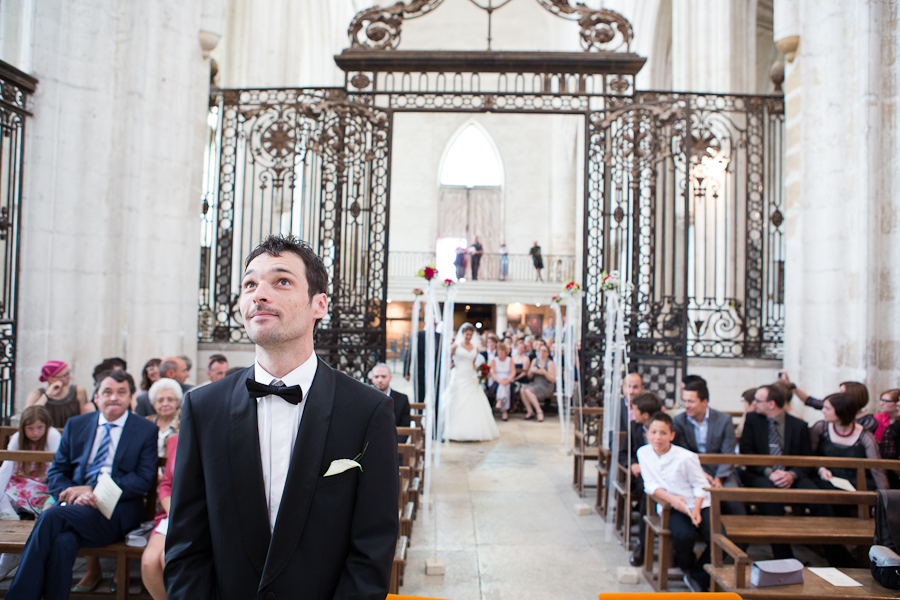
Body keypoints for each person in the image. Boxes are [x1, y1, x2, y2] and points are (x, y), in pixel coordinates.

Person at [165, 235, 399, 600]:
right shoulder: (202, 407)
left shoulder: (367, 411)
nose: (259, 294)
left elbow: (373, 547)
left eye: (282, 281)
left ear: (318, 305)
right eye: (250, 284)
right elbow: (186, 544)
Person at [6, 369, 158, 599]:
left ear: (130, 398)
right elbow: (57, 471)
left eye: (121, 392)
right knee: (62, 542)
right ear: (96, 397)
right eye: (107, 392)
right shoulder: (76, 425)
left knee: (51, 517)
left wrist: (95, 491)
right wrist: (71, 494)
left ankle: (19, 596)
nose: (114, 397)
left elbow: (143, 479)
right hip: (74, 507)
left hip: (115, 512)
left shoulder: (145, 430)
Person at [739, 384, 817, 559]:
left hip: (792, 474)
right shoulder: (752, 420)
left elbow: (807, 458)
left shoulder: (798, 425)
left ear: (771, 404)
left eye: (758, 401)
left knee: (818, 496)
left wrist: (792, 475)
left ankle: (834, 554)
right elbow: (747, 452)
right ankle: (784, 557)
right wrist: (769, 472)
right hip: (761, 474)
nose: (754, 404)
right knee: (770, 494)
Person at [637, 411, 711, 592]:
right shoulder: (644, 453)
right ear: (647, 433)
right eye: (653, 432)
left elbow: (701, 485)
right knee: (684, 536)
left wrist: (697, 509)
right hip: (672, 506)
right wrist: (674, 501)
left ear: (672, 435)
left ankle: (697, 575)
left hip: (699, 504)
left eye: (663, 433)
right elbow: (651, 486)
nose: (658, 437)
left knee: (720, 539)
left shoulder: (686, 457)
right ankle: (688, 565)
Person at [811, 392, 888, 566]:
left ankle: (849, 551)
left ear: (841, 411)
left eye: (827, 408)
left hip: (854, 482)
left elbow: (877, 469)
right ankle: (840, 553)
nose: (823, 411)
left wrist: (882, 498)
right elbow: (811, 455)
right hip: (828, 480)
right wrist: (821, 468)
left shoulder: (864, 436)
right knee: (828, 498)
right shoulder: (820, 428)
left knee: (848, 496)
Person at [0, 406, 62, 580]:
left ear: (46, 426)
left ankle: (28, 559)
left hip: (45, 485)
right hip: (23, 483)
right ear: (23, 428)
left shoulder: (52, 437)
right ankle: (10, 547)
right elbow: (6, 468)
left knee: (48, 510)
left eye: (39, 427)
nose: (35, 432)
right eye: (30, 428)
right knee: (3, 498)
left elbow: (57, 470)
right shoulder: (17, 439)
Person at [674, 379, 746, 518]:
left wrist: (719, 478)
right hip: (692, 470)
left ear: (704, 402)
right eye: (685, 401)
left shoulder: (723, 420)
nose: (686, 405)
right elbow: (682, 451)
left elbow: (728, 452)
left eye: (691, 401)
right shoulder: (679, 421)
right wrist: (701, 474)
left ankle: (738, 537)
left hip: (720, 471)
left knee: (733, 498)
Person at [621, 391, 662, 567]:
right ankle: (642, 546)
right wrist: (632, 464)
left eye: (635, 410)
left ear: (645, 415)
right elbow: (623, 454)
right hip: (643, 478)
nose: (633, 413)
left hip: (664, 477)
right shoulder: (634, 427)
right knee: (648, 498)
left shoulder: (666, 429)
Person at [441, 323, 500, 441]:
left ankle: (474, 430)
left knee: (474, 400)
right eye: (466, 334)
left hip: (470, 376)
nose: (468, 336)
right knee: (455, 399)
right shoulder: (455, 346)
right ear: (462, 334)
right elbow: (448, 359)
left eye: (470, 335)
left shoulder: (475, 347)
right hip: (458, 375)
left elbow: (473, 362)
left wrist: (482, 371)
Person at [779, 371, 878, 434]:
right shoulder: (833, 409)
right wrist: (790, 386)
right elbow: (809, 400)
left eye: (842, 392)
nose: (838, 394)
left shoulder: (868, 421)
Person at [141, 435, 178, 600]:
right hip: (173, 511)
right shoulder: (175, 440)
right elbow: (166, 484)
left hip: (202, 514)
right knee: (149, 562)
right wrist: (172, 510)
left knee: (168, 558)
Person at [24, 361, 89, 429]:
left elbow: (86, 419)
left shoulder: (78, 391)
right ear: (52, 379)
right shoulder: (36, 394)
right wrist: (47, 395)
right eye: (65, 375)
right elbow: (28, 418)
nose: (70, 377)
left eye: (69, 372)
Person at [369, 362, 411, 444]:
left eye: (383, 376)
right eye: (376, 376)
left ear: (390, 377)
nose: (380, 380)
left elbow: (405, 427)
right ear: (372, 379)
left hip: (395, 446)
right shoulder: (365, 398)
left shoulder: (402, 399)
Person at [146, 378, 182, 458]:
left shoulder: (185, 423)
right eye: (160, 400)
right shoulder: (146, 423)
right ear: (153, 404)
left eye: (170, 399)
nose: (165, 404)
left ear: (177, 402)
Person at [519, 344, 555, 422]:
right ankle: (530, 411)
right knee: (522, 390)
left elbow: (552, 379)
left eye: (544, 350)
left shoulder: (549, 363)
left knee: (528, 391)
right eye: (540, 350)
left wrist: (544, 372)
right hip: (535, 383)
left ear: (548, 353)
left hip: (546, 385)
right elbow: (529, 376)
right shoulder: (535, 361)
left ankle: (539, 411)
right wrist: (532, 371)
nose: (542, 352)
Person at [491, 343, 513, 421]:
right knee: (502, 385)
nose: (501, 352)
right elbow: (492, 373)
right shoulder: (494, 360)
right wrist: (499, 380)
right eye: (499, 350)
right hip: (497, 380)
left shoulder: (509, 360)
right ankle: (504, 411)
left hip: (507, 379)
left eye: (502, 350)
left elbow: (513, 372)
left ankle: (499, 400)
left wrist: (508, 380)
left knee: (505, 385)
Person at [479, 334, 498, 402]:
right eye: (489, 342)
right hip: (485, 375)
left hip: (496, 374)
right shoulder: (483, 354)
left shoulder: (499, 353)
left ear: (495, 344)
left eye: (493, 342)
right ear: (487, 344)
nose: (491, 344)